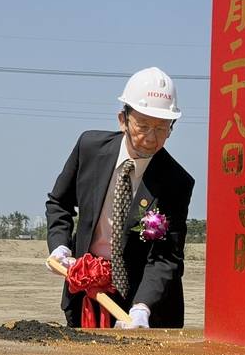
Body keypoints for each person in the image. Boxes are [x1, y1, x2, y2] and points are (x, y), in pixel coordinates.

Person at [45, 67, 194, 329]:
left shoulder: (176, 182)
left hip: (143, 302)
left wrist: (142, 307)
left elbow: (166, 256)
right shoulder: (89, 149)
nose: (151, 138)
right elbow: (59, 203)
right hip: (86, 290)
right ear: (122, 119)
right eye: (143, 125)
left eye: (162, 128)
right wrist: (60, 246)